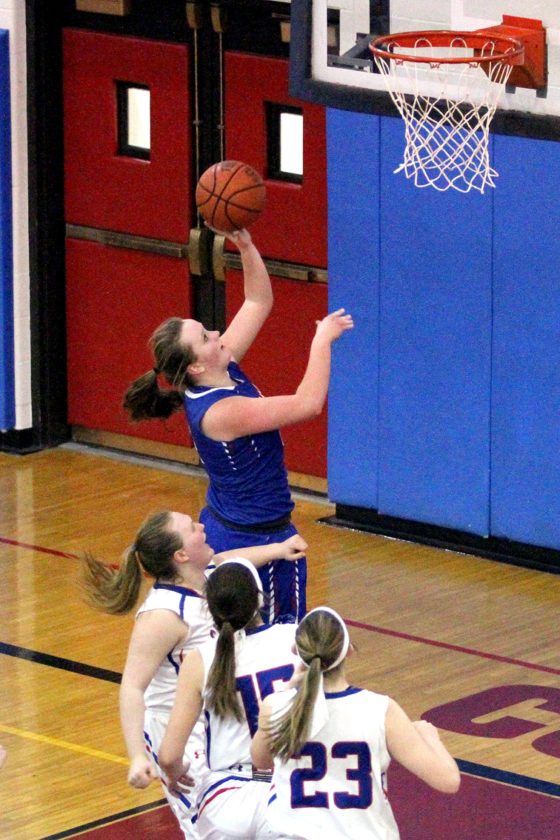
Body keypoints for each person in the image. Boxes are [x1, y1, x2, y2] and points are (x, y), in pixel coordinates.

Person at [123, 227, 354, 625]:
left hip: (241, 524)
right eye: (205, 337)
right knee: (271, 643)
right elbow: (308, 404)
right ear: (196, 366)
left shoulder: (220, 367)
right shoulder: (221, 412)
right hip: (251, 538)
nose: (216, 333)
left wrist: (245, 246)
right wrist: (321, 341)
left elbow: (258, 300)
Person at [82, 510, 306, 840]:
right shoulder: (163, 614)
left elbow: (232, 560)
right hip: (180, 733)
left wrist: (278, 549)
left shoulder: (210, 574)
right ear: (181, 555)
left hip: (218, 718)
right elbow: (132, 686)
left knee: (255, 804)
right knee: (206, 825)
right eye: (192, 528)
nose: (201, 526)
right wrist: (137, 756)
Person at [251, 606, 461, 840]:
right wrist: (430, 737)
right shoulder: (381, 709)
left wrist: (289, 687)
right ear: (348, 650)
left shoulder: (276, 705)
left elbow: (260, 762)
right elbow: (448, 780)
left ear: (297, 651)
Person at [159, 558, 299, 840]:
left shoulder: (199, 660)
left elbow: (169, 756)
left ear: (210, 609)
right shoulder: (295, 638)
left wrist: (175, 774)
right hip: (286, 788)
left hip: (226, 798)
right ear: (259, 599)